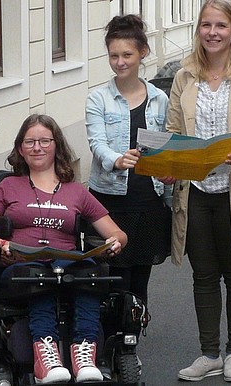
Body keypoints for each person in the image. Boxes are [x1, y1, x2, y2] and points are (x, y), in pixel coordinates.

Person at [0, 114, 127, 384]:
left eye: (45, 140)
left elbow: (117, 233)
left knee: (89, 275)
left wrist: (114, 242)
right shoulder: (8, 186)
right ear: (20, 148)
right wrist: (1, 244)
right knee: (39, 277)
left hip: (68, 263)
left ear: (56, 145)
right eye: (30, 141)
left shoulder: (76, 192)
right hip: (23, 264)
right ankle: (46, 357)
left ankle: (84, 352)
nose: (37, 147)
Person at [161, 0, 231, 382]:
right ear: (199, 29)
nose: (213, 32)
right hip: (196, 190)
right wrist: (168, 167)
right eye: (206, 25)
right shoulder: (185, 76)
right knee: (202, 275)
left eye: (221, 25)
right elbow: (173, 132)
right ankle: (209, 354)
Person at [85, 14, 170, 305]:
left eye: (127, 55)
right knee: (110, 279)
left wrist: (169, 172)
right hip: (109, 200)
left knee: (139, 280)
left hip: (148, 199)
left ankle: (130, 342)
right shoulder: (98, 98)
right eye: (113, 56)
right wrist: (117, 159)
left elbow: (165, 145)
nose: (120, 62)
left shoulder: (159, 98)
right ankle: (109, 340)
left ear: (142, 53)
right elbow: (96, 142)